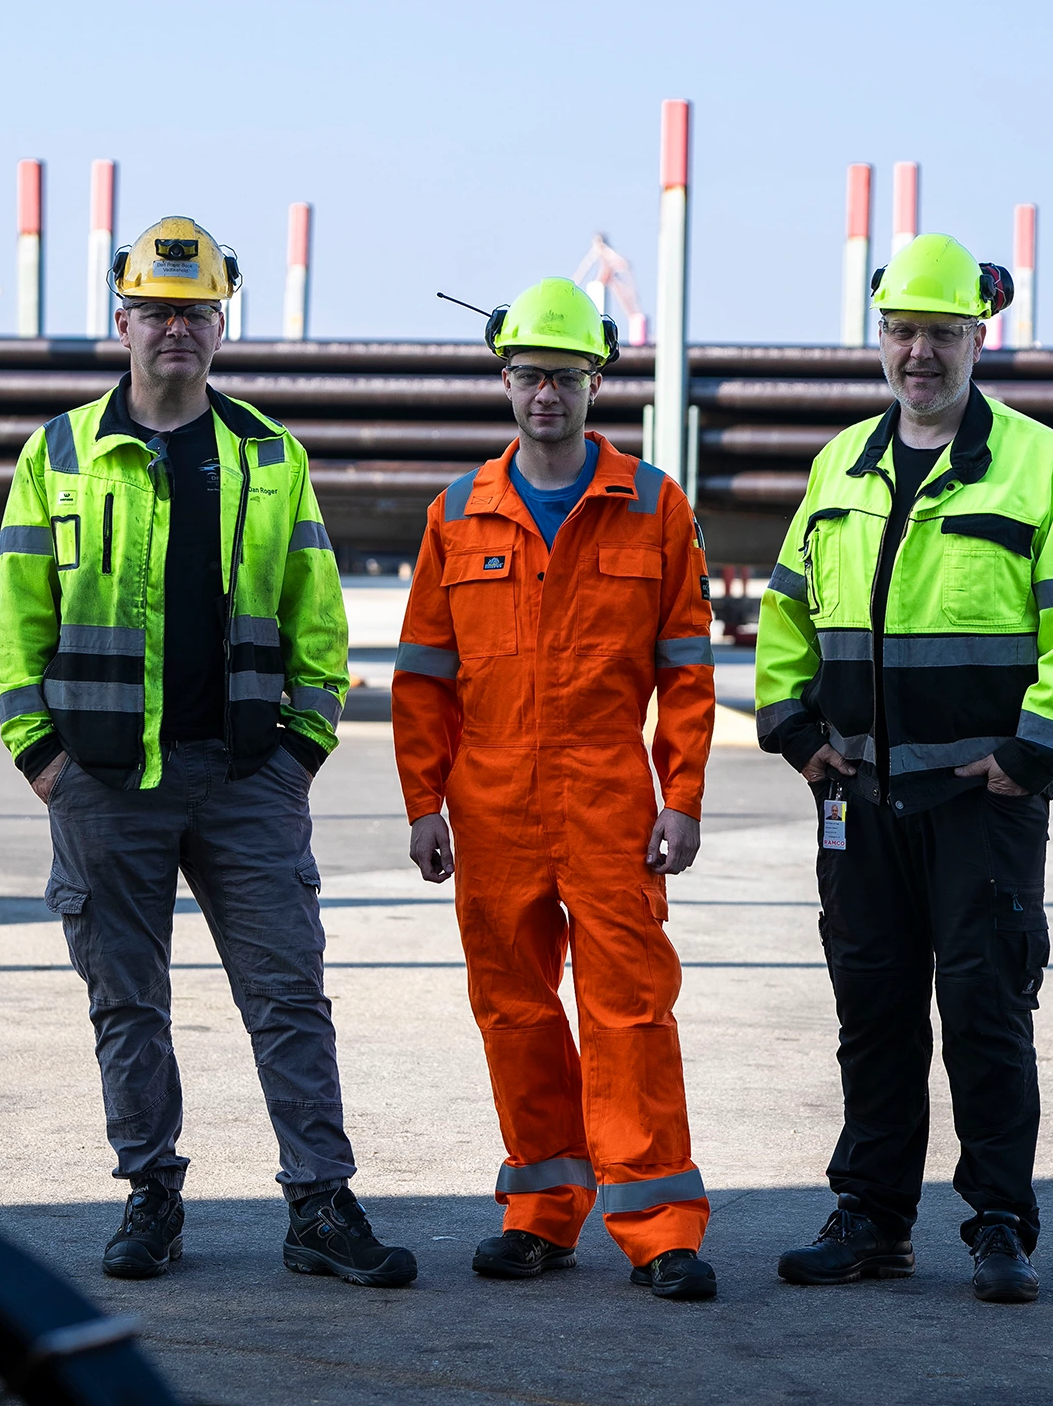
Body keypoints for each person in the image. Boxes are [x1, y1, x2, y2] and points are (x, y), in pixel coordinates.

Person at [0, 217, 415, 1288]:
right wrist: (43, 754)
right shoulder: (59, 454)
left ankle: (320, 1201)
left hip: (243, 778)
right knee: (126, 999)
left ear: (222, 323)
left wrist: (300, 747)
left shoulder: (270, 455)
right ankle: (150, 1194)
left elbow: (320, 621)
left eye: (197, 310)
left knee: (289, 993)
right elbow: (14, 620)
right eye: (158, 309)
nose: (177, 327)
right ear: (120, 318)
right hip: (103, 780)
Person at [754, 234, 1053, 1304]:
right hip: (858, 799)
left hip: (977, 800)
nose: (921, 352)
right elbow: (786, 608)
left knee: (986, 1010)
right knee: (871, 1013)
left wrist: (1032, 754)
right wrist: (793, 728)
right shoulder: (841, 465)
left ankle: (999, 1220)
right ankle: (872, 1214)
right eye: (904, 331)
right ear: (882, 337)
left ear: (978, 337)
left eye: (943, 333)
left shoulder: (1041, 464)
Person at [392, 278, 719, 1300]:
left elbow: (687, 670)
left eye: (566, 377)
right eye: (531, 374)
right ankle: (541, 1210)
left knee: (630, 1013)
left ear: (595, 382)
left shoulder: (655, 505)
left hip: (611, 796)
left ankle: (659, 1225)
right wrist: (422, 802)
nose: (546, 393)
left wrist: (684, 793)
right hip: (490, 805)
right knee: (516, 1012)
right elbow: (423, 677)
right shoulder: (456, 512)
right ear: (505, 380)